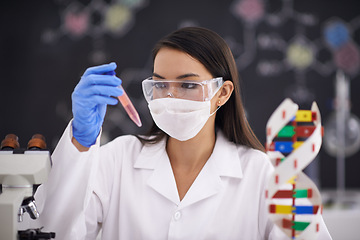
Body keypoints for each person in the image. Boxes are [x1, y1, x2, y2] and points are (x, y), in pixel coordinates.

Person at [33, 27, 332, 239]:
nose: (170, 97)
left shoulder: (267, 175)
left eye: (188, 85)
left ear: (222, 93)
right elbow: (51, 231)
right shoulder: (117, 159)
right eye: (160, 84)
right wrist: (81, 142)